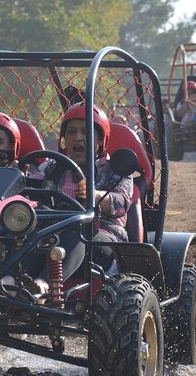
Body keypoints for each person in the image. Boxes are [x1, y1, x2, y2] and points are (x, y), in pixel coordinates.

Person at [28, 103, 133, 291]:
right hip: (51, 234)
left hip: (100, 239)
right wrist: (15, 177)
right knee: (23, 229)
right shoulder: (51, 167)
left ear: (100, 139)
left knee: (77, 228)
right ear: (64, 138)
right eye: (72, 132)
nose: (78, 137)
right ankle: (9, 282)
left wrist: (96, 196)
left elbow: (122, 202)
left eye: (86, 132)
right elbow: (28, 188)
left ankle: (44, 283)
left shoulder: (112, 169)